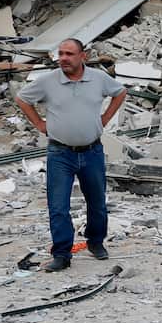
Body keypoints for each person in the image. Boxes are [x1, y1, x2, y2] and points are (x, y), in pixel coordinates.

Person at [15, 39, 127, 272]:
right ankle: (62, 254)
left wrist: (105, 119)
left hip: (92, 151)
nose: (63, 58)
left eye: (69, 54)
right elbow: (22, 99)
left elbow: (120, 92)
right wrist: (38, 123)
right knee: (58, 206)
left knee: (97, 203)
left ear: (83, 56)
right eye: (61, 54)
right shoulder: (48, 81)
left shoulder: (98, 78)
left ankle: (95, 243)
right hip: (60, 153)